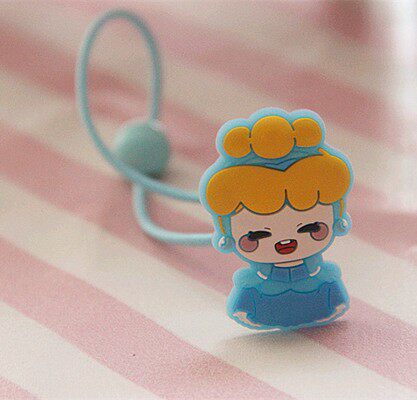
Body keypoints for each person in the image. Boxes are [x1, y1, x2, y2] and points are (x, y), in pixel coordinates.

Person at [199, 108, 353, 330]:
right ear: (227, 231)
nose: (285, 241)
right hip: (266, 298)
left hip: (314, 293)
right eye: (257, 235)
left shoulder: (324, 277)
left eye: (311, 227)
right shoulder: (251, 285)